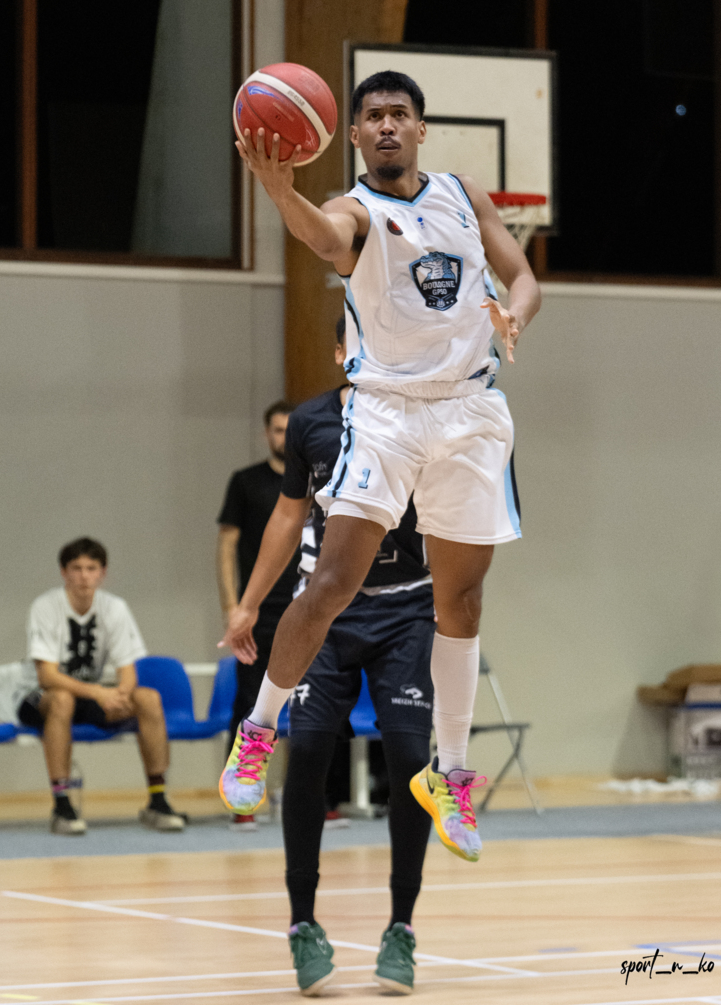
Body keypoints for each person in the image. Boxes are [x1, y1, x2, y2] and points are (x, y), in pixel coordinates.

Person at [221, 68, 540, 862]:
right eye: (374, 115)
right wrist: (280, 193)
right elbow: (323, 236)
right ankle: (258, 730)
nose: (388, 124)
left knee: (461, 601)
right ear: (354, 134)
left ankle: (450, 772)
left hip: (469, 412)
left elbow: (524, 275)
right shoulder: (356, 209)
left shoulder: (463, 194)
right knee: (331, 583)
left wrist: (515, 313)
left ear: (421, 129)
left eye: (400, 113)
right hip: (387, 414)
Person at [222, 316, 435, 995]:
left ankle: (401, 928)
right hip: (325, 611)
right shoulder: (312, 422)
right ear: (342, 353)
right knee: (310, 751)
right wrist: (249, 603)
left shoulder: (424, 415)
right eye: (360, 345)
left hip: (406, 609)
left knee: (410, 760)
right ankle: (303, 924)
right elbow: (288, 517)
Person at [18, 536, 184, 835]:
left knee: (148, 698)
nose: (84, 576)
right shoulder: (45, 606)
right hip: (40, 698)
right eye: (77, 568)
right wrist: (98, 692)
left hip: (91, 694)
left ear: (103, 573)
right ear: (64, 572)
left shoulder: (115, 608)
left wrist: (120, 695)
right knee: (62, 700)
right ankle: (62, 805)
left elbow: (128, 670)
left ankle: (158, 800)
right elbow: (47, 677)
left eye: (91, 568)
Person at [216, 400, 297, 828]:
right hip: (259, 612)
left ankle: (319, 797)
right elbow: (226, 545)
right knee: (250, 701)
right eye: (277, 429)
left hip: (307, 607)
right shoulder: (246, 482)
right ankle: (241, 799)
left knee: (318, 704)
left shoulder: (318, 480)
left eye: (290, 429)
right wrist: (233, 607)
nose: (284, 437)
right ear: (267, 433)